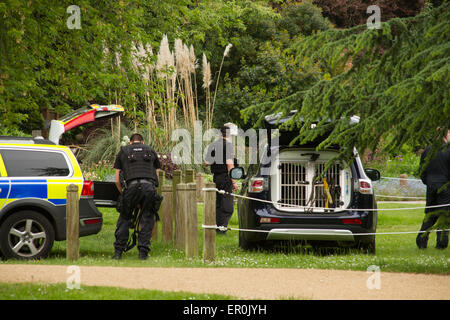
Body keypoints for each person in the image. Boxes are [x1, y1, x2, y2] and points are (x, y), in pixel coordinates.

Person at [112, 133, 162, 260]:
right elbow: (157, 175)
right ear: (142, 142)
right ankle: (143, 253)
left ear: (130, 142)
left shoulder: (123, 151)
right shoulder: (150, 150)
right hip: (148, 187)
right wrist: (150, 191)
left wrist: (124, 194)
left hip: (131, 187)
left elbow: (117, 180)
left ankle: (118, 252)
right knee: (147, 218)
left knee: (124, 217)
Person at [416, 130, 450, 249]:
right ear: (446, 135)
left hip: (431, 186)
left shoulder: (427, 150)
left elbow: (422, 170)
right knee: (444, 215)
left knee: (430, 214)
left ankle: (421, 240)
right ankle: (441, 243)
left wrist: (428, 182)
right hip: (445, 187)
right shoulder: (448, 150)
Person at [204, 125, 239, 234]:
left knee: (218, 203)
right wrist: (234, 181)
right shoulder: (228, 146)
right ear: (229, 135)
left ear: (219, 134)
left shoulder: (213, 145)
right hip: (225, 177)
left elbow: (206, 162)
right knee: (228, 205)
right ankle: (222, 228)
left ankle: (218, 227)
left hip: (216, 178)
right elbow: (229, 163)